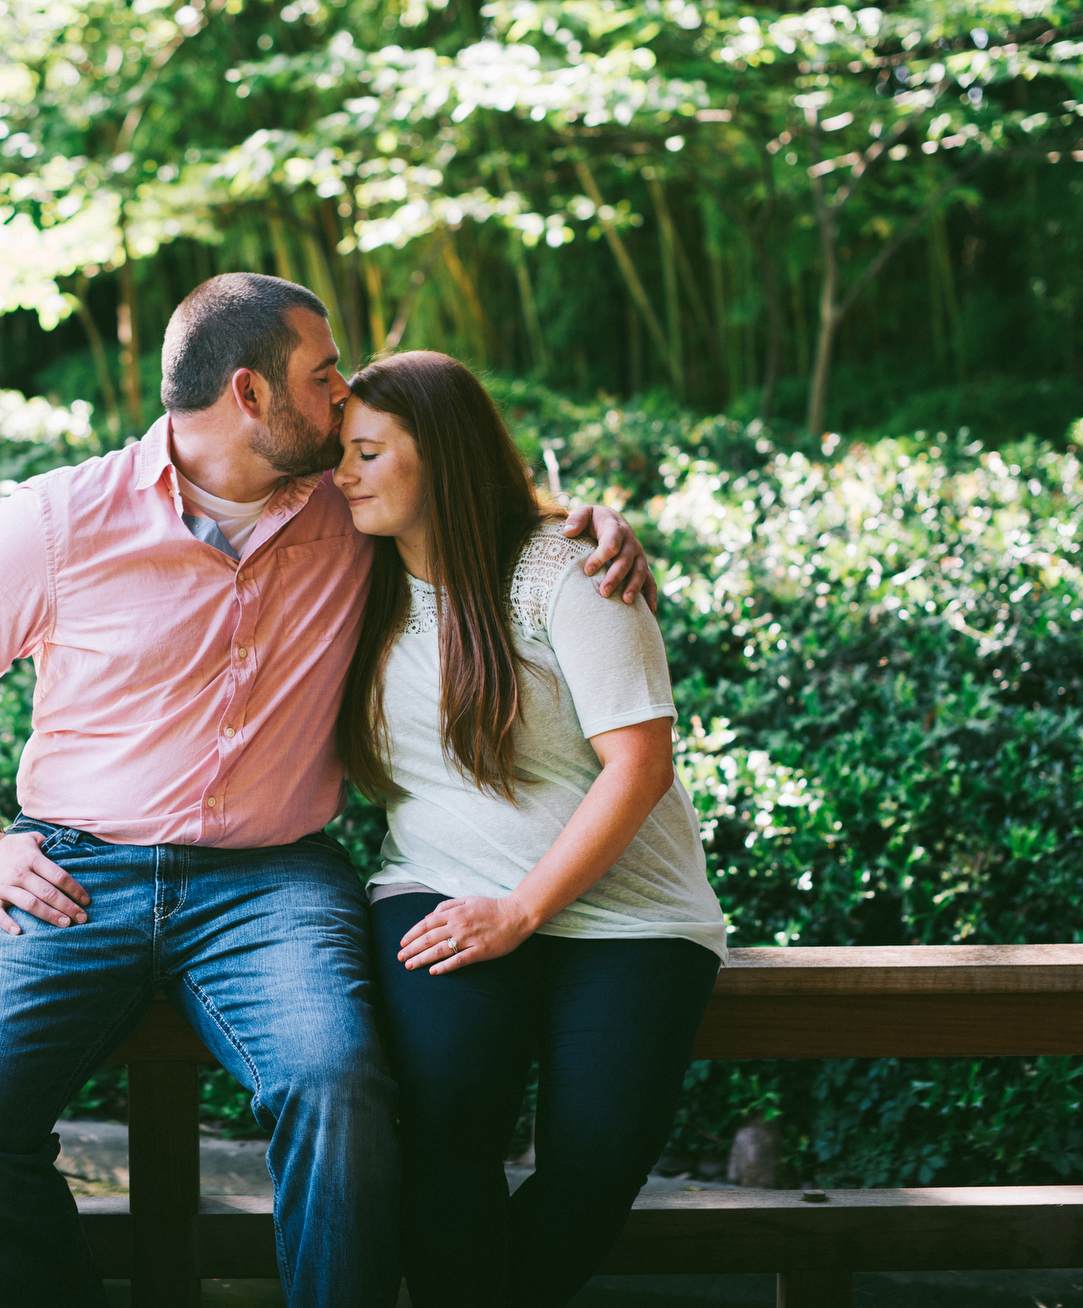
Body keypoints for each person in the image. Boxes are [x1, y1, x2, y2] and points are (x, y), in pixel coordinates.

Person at [0, 274, 652, 1308]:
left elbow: (469, 503)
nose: (342, 395)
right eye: (322, 375)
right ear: (250, 394)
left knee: (337, 1089)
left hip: (271, 882)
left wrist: (581, 523)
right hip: (75, 867)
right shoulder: (63, 519)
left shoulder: (351, 504)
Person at [333, 350, 727, 1308]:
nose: (343, 474)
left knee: (596, 1164)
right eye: (341, 452)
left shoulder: (569, 572)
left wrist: (521, 910)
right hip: (436, 886)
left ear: (446, 458)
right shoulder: (349, 568)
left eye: (369, 453)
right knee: (446, 1126)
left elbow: (641, 765)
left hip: (628, 912)